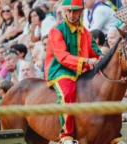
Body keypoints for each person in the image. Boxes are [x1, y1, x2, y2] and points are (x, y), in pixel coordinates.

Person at [44, 0, 104, 143]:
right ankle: (66, 136)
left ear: (81, 11)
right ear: (65, 11)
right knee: (68, 93)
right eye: (68, 11)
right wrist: (86, 61)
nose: (71, 14)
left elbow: (96, 52)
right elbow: (62, 57)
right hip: (60, 71)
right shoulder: (56, 30)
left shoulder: (86, 32)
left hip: (80, 71)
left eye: (75, 11)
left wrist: (102, 59)